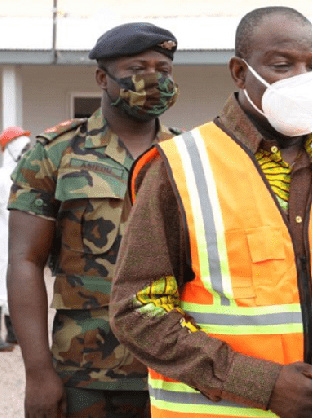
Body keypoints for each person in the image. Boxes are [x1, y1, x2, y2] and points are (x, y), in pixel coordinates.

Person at [109, 7, 312, 418]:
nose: (303, 81)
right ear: (240, 72)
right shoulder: (179, 167)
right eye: (282, 65)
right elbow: (137, 310)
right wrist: (259, 384)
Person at [7, 22, 181, 417]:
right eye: (138, 69)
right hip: (85, 371)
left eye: (164, 69)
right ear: (103, 78)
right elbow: (24, 262)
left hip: (175, 366)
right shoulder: (55, 153)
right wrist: (37, 373)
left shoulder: (190, 155)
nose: (154, 79)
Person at [0, 126, 31, 352]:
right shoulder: (2, 178)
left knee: (16, 284)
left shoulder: (26, 176)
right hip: (2, 239)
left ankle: (13, 333)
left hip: (18, 239)